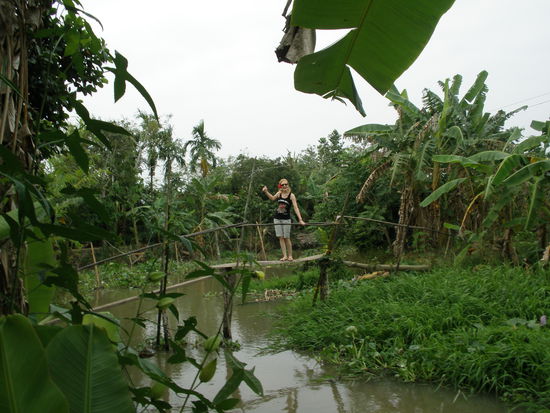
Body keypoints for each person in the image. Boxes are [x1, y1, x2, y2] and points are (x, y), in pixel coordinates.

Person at [262, 178, 305, 261]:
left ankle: (290, 256)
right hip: (277, 218)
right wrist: (266, 191)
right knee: (281, 237)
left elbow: (296, 208)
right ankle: (284, 256)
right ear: (280, 186)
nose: (285, 186)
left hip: (286, 219)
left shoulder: (291, 195)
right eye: (283, 184)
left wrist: (300, 219)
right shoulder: (279, 193)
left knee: (286, 237)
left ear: (288, 185)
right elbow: (272, 198)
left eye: (286, 184)